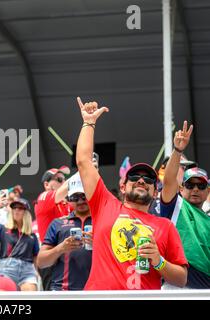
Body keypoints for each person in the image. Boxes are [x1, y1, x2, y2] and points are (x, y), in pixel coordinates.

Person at [75, 97, 188, 290]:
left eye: (150, 180)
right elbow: (84, 162)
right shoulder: (104, 204)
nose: (142, 181)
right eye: (135, 177)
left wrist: (158, 261)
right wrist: (88, 122)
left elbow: (182, 278)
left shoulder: (166, 226)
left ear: (155, 193)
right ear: (122, 187)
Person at [160, 121, 210, 289]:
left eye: (201, 186)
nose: (195, 189)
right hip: (178, 286)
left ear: (207, 191)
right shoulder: (176, 206)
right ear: (181, 188)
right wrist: (178, 150)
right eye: (190, 185)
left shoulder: (208, 219)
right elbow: (168, 181)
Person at [38, 173, 92, 290]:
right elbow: (41, 262)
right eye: (74, 197)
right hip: (62, 292)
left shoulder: (103, 221)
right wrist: (61, 248)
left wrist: (99, 243)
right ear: (67, 199)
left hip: (96, 291)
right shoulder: (57, 223)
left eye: (84, 196)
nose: (80, 201)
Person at [0, 198, 39, 291]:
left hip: (27, 270)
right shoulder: (3, 228)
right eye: (14, 208)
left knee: (31, 296)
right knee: (6, 297)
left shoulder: (32, 235)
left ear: (26, 213)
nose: (16, 210)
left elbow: (35, 257)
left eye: (20, 208)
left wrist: (38, 274)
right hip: (7, 268)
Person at [34, 166, 71, 290]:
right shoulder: (43, 197)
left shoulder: (66, 203)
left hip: (68, 254)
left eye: (64, 179)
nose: (63, 182)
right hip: (51, 257)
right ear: (46, 184)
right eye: (59, 179)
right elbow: (69, 186)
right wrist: (85, 169)